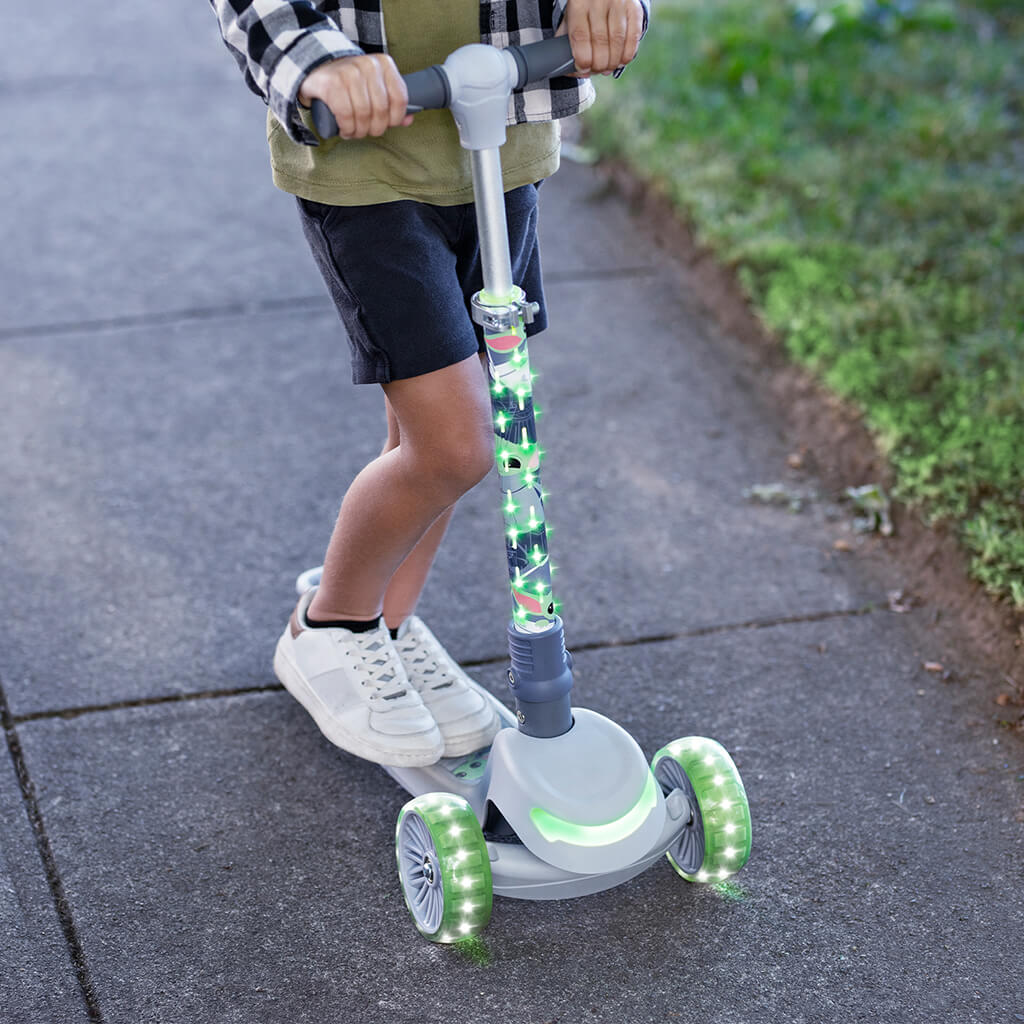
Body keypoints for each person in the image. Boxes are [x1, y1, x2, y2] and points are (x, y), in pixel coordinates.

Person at [210, 0, 647, 767]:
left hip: (499, 143)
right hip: (369, 168)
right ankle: (333, 624)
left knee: (438, 428)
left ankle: (389, 624)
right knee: (455, 446)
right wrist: (318, 62)